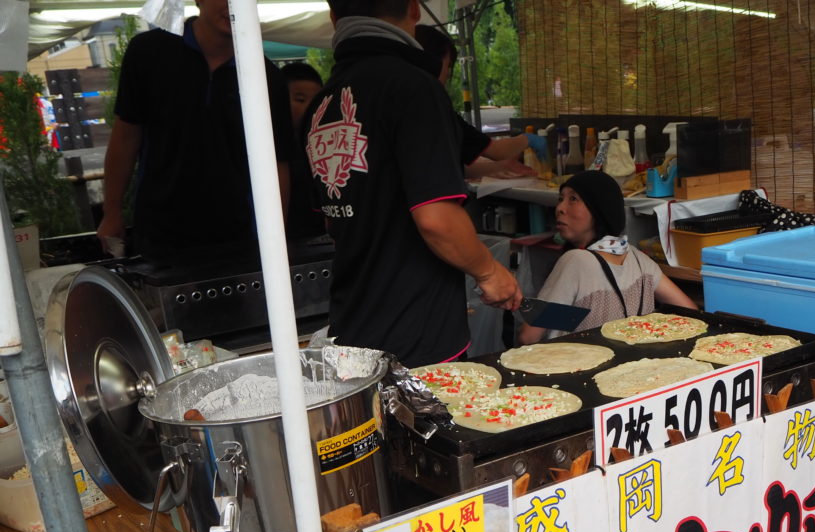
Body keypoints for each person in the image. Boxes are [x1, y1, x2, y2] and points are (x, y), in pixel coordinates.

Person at [304, 0, 521, 368]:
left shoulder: (320, 105)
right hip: (418, 336)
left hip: (353, 326)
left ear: (333, 15)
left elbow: (333, 220)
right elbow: (435, 218)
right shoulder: (414, 88)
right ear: (414, 10)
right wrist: (489, 271)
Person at [98, 0, 293, 262]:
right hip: (160, 230)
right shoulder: (149, 52)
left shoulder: (267, 76)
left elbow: (277, 162)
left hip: (237, 235)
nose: (231, 5)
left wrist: (275, 237)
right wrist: (112, 213)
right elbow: (126, 136)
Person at [518, 170, 698, 344]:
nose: (560, 208)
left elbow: (529, 336)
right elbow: (690, 311)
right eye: (561, 199)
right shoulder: (640, 260)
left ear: (600, 210)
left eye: (573, 199)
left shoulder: (575, 261)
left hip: (580, 370)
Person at [413, 24, 544, 178]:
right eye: (447, 66)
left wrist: (500, 166)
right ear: (432, 61)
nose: (448, 74)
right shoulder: (434, 109)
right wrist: (528, 140)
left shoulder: (402, 102)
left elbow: (453, 168)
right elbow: (496, 150)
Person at [280, 62, 326, 239]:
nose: (309, 107)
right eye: (300, 99)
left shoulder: (321, 146)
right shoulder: (268, 149)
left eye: (316, 101)